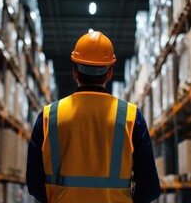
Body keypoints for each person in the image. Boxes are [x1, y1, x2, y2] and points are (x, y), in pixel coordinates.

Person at [26, 31, 160, 202]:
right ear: (109, 74)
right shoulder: (131, 117)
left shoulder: (48, 117)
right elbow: (150, 188)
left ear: (75, 72)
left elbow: (34, 183)